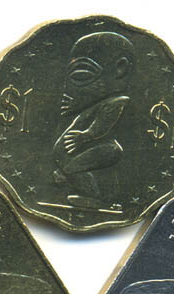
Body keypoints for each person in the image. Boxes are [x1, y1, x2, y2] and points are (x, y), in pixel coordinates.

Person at [53, 31, 135, 209]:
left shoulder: (117, 102)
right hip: (96, 146)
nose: (68, 87)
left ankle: (96, 198)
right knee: (79, 168)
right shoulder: (101, 102)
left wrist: (86, 135)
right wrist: (77, 108)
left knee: (72, 168)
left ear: (120, 69)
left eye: (82, 75)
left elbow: (104, 124)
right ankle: (102, 197)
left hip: (106, 147)